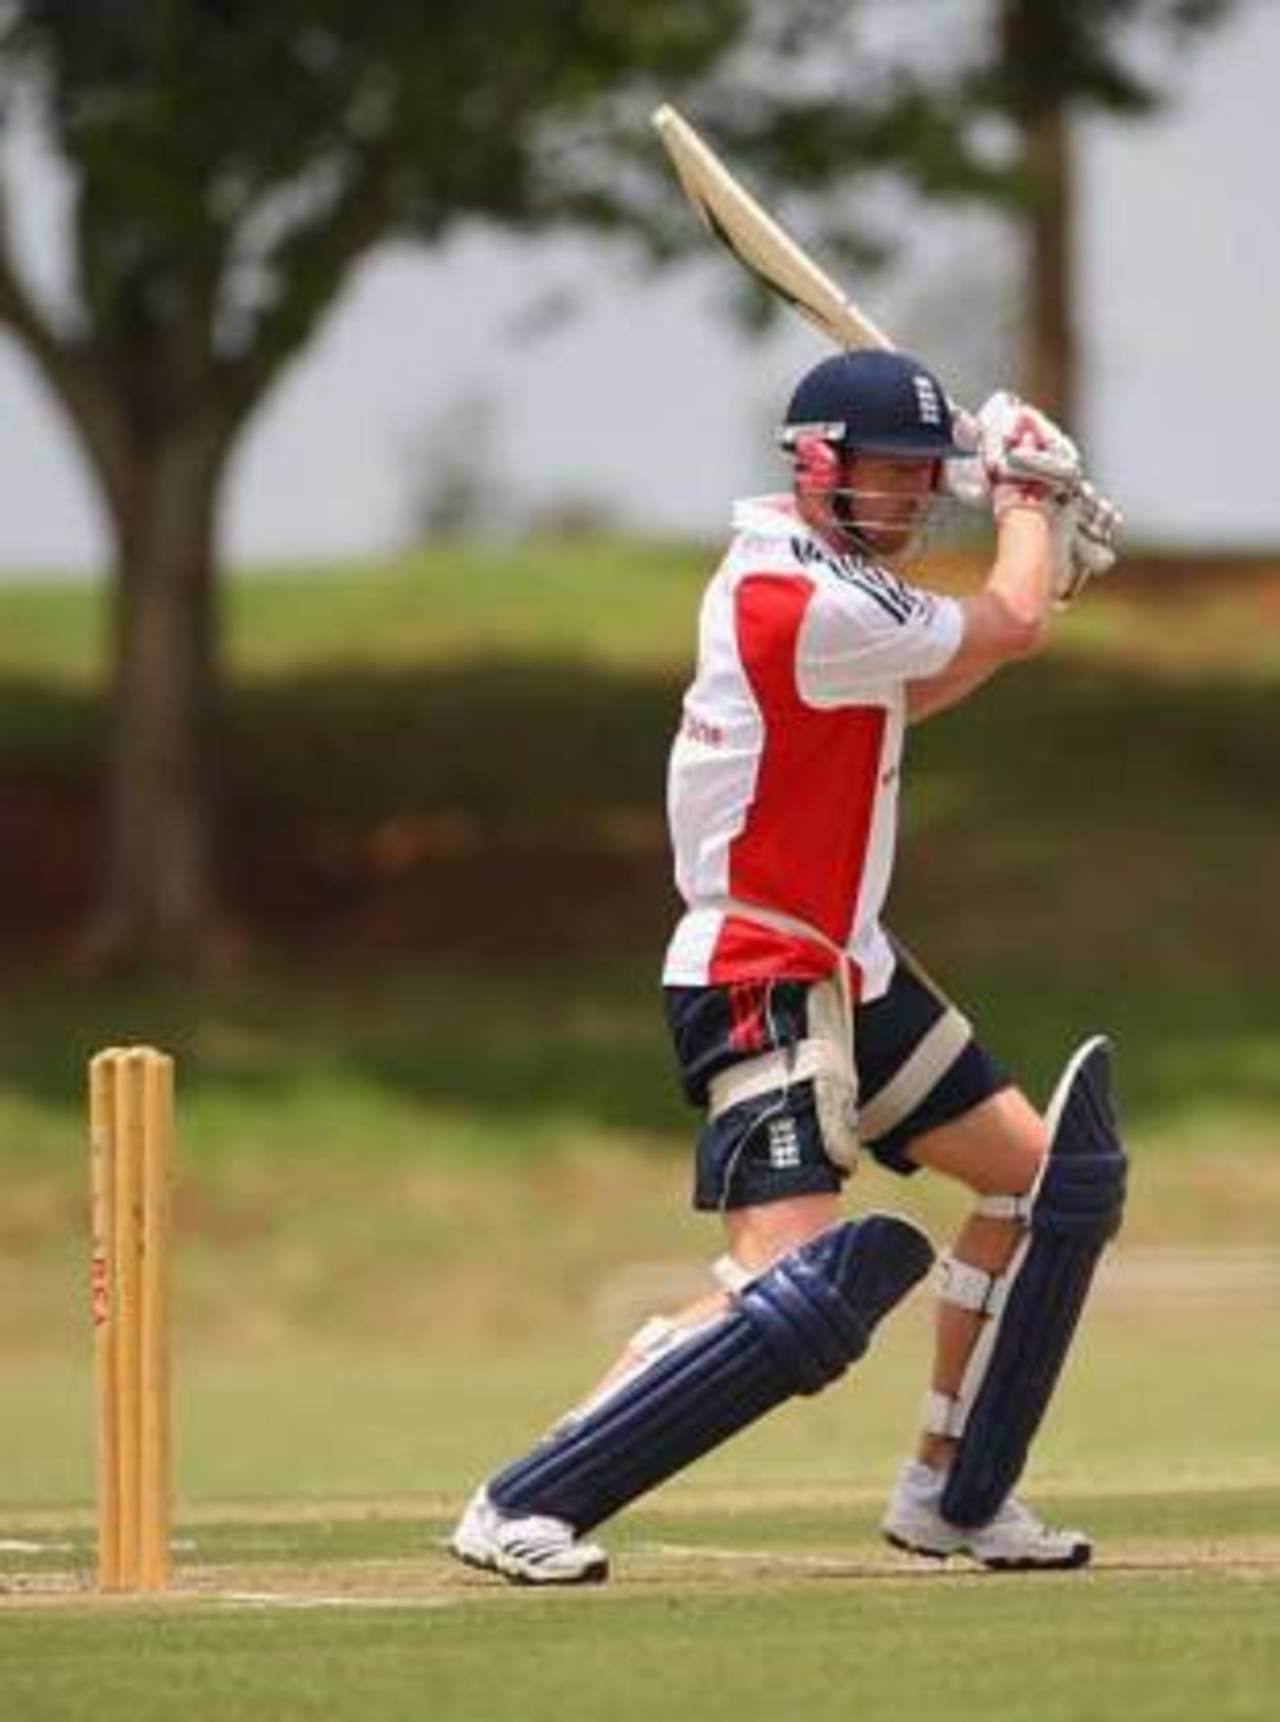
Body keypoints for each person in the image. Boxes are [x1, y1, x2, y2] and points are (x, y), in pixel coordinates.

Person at [449, 349, 1127, 1586]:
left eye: (927, 479)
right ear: (816, 466)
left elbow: (928, 681)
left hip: (845, 961)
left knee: (1050, 1186)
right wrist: (1025, 507)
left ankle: (951, 1495)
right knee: (794, 1292)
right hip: (756, 961)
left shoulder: (839, 593)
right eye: (886, 475)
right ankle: (526, 1495)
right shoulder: (791, 591)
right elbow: (1003, 622)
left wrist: (1046, 573)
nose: (909, 501)